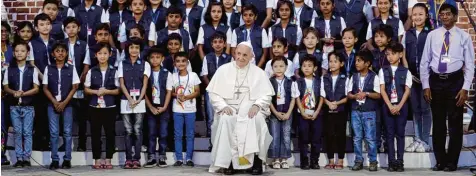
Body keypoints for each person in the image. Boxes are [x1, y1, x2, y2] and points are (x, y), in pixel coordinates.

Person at [420, 4, 475, 172]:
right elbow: (424, 62)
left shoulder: (463, 36)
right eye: (442, 14)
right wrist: (426, 85)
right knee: (438, 124)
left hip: (455, 82)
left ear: (456, 16)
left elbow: (470, 64)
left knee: (455, 123)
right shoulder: (432, 35)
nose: (444, 17)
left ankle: (452, 161)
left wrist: (465, 88)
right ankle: (440, 161)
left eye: (448, 14)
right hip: (436, 81)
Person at [207, 42, 274, 175]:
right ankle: (228, 163)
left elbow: (267, 94)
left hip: (250, 108)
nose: (241, 58)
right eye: (239, 54)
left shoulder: (258, 73)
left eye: (245, 55)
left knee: (257, 119)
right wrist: (223, 106)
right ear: (234, 53)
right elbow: (213, 93)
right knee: (226, 119)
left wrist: (257, 105)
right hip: (229, 108)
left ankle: (256, 161)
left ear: (251, 56)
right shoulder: (223, 70)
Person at [43, 42, 80, 170]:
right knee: (53, 133)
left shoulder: (71, 67)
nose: (60, 53)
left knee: (67, 132)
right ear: (53, 54)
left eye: (63, 51)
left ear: (66, 53)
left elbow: (75, 87)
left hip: (67, 104)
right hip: (52, 104)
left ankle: (67, 159)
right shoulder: (49, 68)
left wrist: (64, 102)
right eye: (57, 51)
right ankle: (54, 159)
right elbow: (45, 88)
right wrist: (54, 102)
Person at [3, 42, 40, 167]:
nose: (19, 53)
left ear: (27, 53)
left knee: (27, 132)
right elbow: (6, 87)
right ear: (13, 53)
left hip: (28, 106)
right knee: (17, 131)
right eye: (17, 51)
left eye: (22, 51)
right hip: (14, 106)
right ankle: (19, 158)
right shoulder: (9, 69)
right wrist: (15, 93)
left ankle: (26, 157)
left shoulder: (32, 69)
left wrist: (23, 94)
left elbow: (36, 88)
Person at [402, 3, 432, 153]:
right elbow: (404, 55)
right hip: (412, 78)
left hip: (427, 77)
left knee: (425, 108)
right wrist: (408, 73)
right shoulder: (408, 33)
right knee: (415, 108)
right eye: (414, 14)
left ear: (426, 15)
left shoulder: (431, 33)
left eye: (421, 14)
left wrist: (427, 75)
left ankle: (425, 140)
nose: (417, 17)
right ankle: (418, 139)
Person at [83, 43, 120, 169]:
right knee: (95, 134)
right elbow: (86, 89)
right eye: (100, 54)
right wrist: (96, 92)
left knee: (110, 133)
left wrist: (107, 92)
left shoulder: (114, 71)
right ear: (96, 55)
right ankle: (97, 159)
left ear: (110, 54)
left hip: (110, 107)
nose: (102, 56)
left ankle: (108, 159)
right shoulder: (91, 71)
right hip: (95, 107)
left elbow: (118, 90)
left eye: (105, 53)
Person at [379, 41, 411, 172]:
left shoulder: (406, 71)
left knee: (400, 134)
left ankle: (400, 161)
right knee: (389, 134)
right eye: (388, 54)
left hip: (401, 106)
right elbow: (382, 89)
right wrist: (390, 106)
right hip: (387, 106)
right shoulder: (383, 70)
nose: (390, 57)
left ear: (400, 54)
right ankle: (391, 162)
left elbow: (407, 90)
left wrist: (398, 106)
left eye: (393, 54)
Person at [118, 38, 150, 169]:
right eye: (131, 47)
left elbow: (145, 84)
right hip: (126, 100)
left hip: (140, 101)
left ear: (140, 49)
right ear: (127, 49)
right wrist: (130, 99)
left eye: (136, 48)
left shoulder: (145, 64)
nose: (134, 50)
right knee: (128, 130)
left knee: (137, 130)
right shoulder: (122, 64)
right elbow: (121, 83)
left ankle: (136, 159)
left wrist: (139, 99)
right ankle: (128, 159)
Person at [346, 49, 381, 172]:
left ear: (367, 63)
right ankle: (358, 161)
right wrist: (354, 96)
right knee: (357, 138)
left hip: (369, 111)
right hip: (356, 110)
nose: (356, 63)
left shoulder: (374, 76)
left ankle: (373, 161)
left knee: (370, 138)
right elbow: (349, 93)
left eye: (359, 61)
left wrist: (366, 93)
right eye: (356, 61)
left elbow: (378, 94)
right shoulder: (354, 76)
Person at [170, 52, 201, 167]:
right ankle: (179, 158)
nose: (181, 63)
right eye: (178, 61)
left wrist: (186, 97)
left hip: (190, 109)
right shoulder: (172, 76)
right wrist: (177, 95)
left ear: (187, 62)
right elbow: (171, 91)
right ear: (174, 63)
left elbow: (197, 92)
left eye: (183, 61)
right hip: (177, 109)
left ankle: (188, 158)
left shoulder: (193, 75)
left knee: (190, 134)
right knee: (177, 134)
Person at [143, 47, 172, 168]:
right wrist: (150, 107)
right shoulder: (146, 74)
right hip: (151, 107)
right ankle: (151, 157)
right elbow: (143, 92)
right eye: (152, 57)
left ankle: (162, 156)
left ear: (162, 59)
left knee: (164, 133)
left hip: (163, 107)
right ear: (149, 59)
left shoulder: (167, 73)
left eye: (158, 57)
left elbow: (169, 91)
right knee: (151, 132)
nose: (155, 60)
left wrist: (165, 107)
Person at [295, 54, 325, 170]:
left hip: (316, 114)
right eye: (304, 66)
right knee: (303, 138)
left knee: (316, 138)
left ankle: (314, 161)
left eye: (309, 66)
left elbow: (322, 97)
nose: (306, 68)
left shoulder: (319, 81)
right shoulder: (298, 82)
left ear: (315, 68)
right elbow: (297, 97)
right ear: (301, 68)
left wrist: (317, 112)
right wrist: (302, 112)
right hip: (302, 114)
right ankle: (304, 161)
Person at [201, 32, 233, 139]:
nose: (218, 44)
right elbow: (205, 75)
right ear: (211, 44)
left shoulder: (229, 58)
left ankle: (223, 140)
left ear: (224, 44)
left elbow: (231, 76)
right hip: (210, 91)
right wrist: (213, 88)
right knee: (210, 117)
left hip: (225, 91)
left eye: (220, 42)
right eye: (215, 42)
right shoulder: (207, 57)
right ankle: (212, 141)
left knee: (224, 116)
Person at [268, 56, 298, 169]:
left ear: (286, 67)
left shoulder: (291, 82)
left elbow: (293, 99)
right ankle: (275, 158)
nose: (278, 69)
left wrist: (288, 113)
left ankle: (284, 158)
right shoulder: (269, 82)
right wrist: (275, 112)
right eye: (275, 66)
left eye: (281, 66)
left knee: (286, 135)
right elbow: (269, 99)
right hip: (274, 113)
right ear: (272, 68)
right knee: (275, 135)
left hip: (287, 113)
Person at [322, 52, 347, 170]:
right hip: (327, 110)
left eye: (335, 61)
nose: (332, 64)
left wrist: (337, 103)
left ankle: (340, 160)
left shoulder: (346, 78)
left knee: (340, 135)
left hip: (341, 110)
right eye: (330, 61)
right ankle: (331, 160)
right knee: (329, 135)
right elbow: (321, 95)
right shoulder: (324, 78)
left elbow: (348, 96)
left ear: (341, 64)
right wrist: (328, 103)